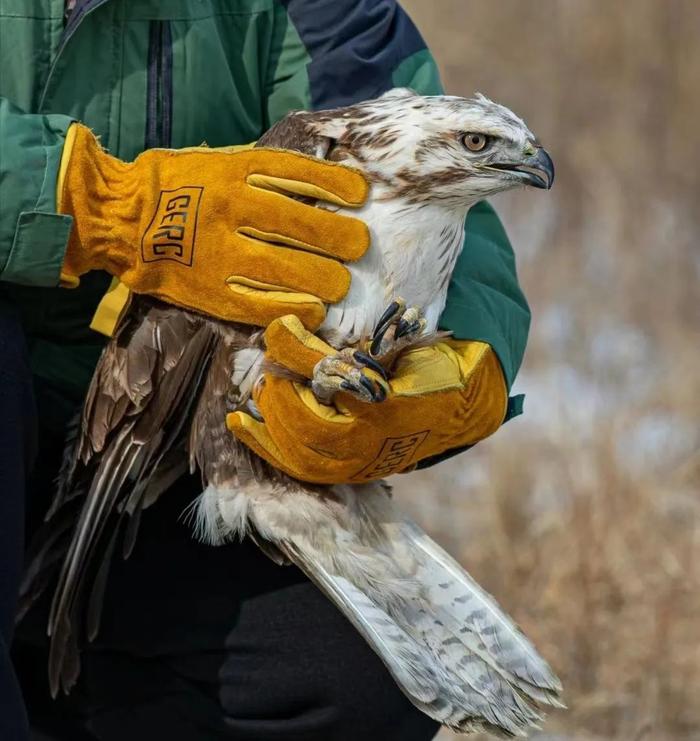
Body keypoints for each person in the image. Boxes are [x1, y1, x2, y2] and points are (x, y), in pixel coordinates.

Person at [0, 1, 530, 739]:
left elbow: (429, 201)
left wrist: (465, 362)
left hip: (158, 437)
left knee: (348, 683)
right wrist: (93, 204)